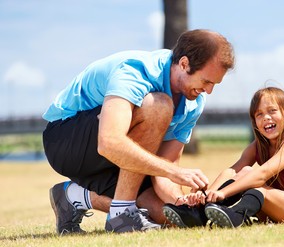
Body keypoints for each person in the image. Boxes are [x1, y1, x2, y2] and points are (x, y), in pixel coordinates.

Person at [42, 29, 235, 235]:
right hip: (65, 141)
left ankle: (73, 196)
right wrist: (174, 172)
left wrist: (181, 202)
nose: (209, 91)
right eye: (206, 81)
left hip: (116, 155)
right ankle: (122, 214)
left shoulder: (194, 101)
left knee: (169, 216)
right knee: (158, 105)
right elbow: (109, 142)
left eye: (214, 84)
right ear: (184, 64)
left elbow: (164, 168)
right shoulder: (136, 71)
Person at [163, 86, 284, 228]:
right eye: (259, 114)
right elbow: (231, 172)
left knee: (256, 186)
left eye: (272, 111)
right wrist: (208, 195)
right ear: (254, 121)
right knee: (245, 172)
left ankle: (235, 216)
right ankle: (198, 213)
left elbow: (262, 174)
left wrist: (224, 193)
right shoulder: (257, 146)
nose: (266, 118)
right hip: (277, 203)